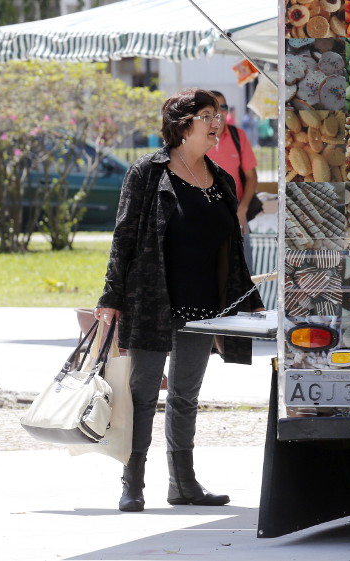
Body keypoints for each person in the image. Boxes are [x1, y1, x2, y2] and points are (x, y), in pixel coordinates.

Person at [94, 88, 263, 513]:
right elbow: (124, 239)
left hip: (204, 308)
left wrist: (250, 301)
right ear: (181, 123)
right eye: (207, 114)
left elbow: (232, 248)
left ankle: (183, 484)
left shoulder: (221, 180)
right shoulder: (148, 173)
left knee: (186, 396)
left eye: (219, 114)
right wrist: (111, 297)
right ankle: (132, 482)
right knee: (143, 394)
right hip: (153, 300)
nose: (217, 122)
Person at [206, 90, 260, 230]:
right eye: (213, 109)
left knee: (244, 252)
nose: (219, 113)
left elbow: (252, 177)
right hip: (205, 219)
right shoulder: (195, 139)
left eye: (223, 108)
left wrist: (242, 209)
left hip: (237, 218)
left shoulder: (238, 136)